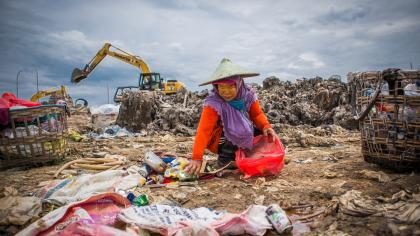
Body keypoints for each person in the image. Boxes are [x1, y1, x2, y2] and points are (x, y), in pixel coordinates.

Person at [184, 58, 278, 175]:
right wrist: (196, 158)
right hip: (220, 139)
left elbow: (257, 114)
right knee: (236, 129)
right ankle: (224, 162)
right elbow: (204, 130)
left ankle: (252, 157)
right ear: (216, 87)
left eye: (230, 87)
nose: (226, 92)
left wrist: (266, 126)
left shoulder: (247, 95)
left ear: (238, 84)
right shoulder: (214, 102)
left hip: (241, 132)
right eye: (221, 88)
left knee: (262, 132)